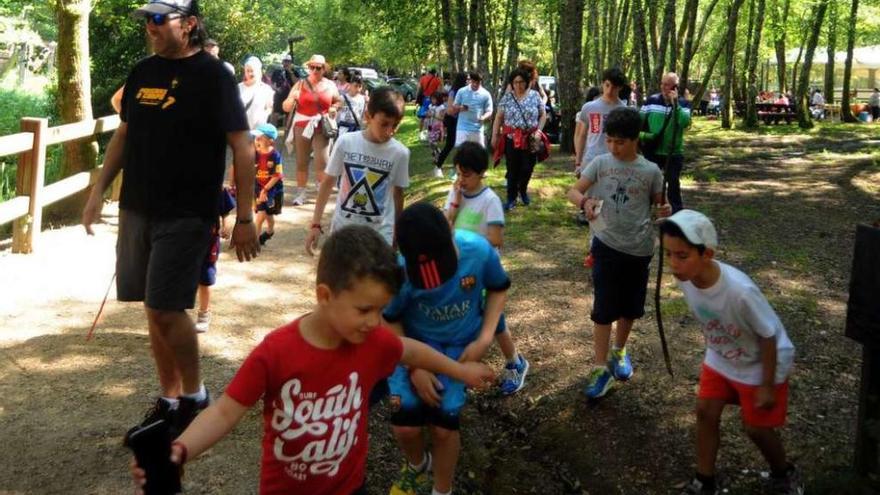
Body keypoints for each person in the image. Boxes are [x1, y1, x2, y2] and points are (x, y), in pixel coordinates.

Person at [130, 225, 495, 495]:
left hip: (352, 488)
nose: (375, 322)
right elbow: (225, 411)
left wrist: (460, 370)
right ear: (324, 295)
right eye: (365, 309)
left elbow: (412, 350)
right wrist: (182, 449)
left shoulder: (372, 341)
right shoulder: (276, 352)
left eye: (381, 310)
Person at [81, 0, 259, 438]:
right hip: (137, 207)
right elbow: (123, 134)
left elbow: (242, 145)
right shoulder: (142, 72)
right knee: (152, 306)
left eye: (160, 19)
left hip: (187, 211)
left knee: (165, 305)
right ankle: (169, 398)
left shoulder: (215, 76)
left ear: (190, 24)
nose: (150, 28)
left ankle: (196, 397)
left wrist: (246, 216)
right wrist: (98, 189)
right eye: (147, 20)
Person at [659, 210, 803, 495]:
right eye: (668, 254)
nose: (674, 264)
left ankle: (783, 472)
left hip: (762, 361)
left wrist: (766, 384)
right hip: (721, 355)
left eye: (682, 255)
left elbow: (768, 335)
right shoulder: (686, 277)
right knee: (705, 411)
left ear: (707, 254)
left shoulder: (740, 290)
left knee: (756, 429)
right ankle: (704, 480)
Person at [384, 202, 510, 495]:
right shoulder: (400, 271)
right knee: (406, 427)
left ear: (451, 231)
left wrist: (484, 338)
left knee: (443, 428)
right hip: (413, 346)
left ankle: (442, 489)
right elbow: (389, 319)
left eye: (443, 268)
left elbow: (498, 288)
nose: (435, 281)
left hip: (459, 346)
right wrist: (413, 365)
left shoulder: (478, 251)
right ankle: (417, 466)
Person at [567, 107, 670, 399]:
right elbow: (573, 191)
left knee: (630, 307)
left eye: (620, 142)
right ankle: (600, 368)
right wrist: (584, 202)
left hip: (639, 249)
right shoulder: (600, 163)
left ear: (636, 139)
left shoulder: (650, 171)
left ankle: (619, 351)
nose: (613, 147)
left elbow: (662, 203)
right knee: (603, 307)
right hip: (605, 244)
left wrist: (666, 209)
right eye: (610, 140)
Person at [443, 142, 529, 395]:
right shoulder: (455, 192)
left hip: (483, 270)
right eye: (458, 173)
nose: (461, 179)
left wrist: (466, 244)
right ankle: (464, 368)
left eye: (466, 174)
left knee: (494, 319)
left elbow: (495, 239)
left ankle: (515, 362)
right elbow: (445, 227)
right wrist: (455, 204)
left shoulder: (489, 200)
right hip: (459, 269)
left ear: (481, 173)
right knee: (466, 315)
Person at [306, 87, 409, 254]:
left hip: (380, 235)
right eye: (384, 124)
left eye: (395, 125)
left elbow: (398, 194)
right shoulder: (346, 142)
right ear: (368, 116)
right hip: (344, 230)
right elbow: (328, 182)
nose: (390, 131)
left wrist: (397, 233)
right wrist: (315, 224)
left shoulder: (400, 153)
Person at [282, 54, 342, 206]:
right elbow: (285, 107)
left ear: (324, 69)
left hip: (322, 125)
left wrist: (334, 108)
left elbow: (338, 100)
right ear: (308, 68)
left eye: (319, 67)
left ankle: (322, 190)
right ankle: (301, 193)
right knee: (302, 161)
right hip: (302, 124)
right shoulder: (300, 84)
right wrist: (292, 98)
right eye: (312, 67)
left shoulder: (330, 85)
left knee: (322, 161)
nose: (315, 70)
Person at [491, 67, 546, 210]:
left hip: (531, 138)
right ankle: (511, 198)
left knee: (527, 168)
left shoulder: (534, 96)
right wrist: (495, 134)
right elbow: (498, 117)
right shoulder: (507, 97)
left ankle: (522, 190)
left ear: (526, 82)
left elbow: (543, 115)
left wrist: (539, 131)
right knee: (512, 168)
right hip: (511, 139)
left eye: (521, 82)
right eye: (515, 82)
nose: (518, 85)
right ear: (511, 83)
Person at [640, 72, 692, 213]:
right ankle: (644, 210)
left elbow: (684, 122)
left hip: (673, 152)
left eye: (667, 84)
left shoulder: (683, 103)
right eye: (662, 83)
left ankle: (676, 213)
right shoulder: (651, 101)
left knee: (673, 183)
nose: (663, 87)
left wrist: (675, 104)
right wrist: (646, 136)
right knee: (649, 182)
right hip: (653, 150)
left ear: (675, 87)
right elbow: (638, 123)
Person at [194, 187, 236, 333]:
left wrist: (227, 225)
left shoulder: (216, 186)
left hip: (208, 241)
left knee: (205, 278)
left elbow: (226, 213)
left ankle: (204, 314)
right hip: (183, 240)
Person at [573, 68, 627, 178]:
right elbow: (581, 135)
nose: (610, 90)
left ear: (620, 88)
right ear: (602, 83)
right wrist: (578, 162)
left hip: (615, 161)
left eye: (614, 87)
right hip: (591, 159)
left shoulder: (624, 110)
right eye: (607, 85)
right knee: (588, 194)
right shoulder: (589, 107)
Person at [251, 123, 284, 246]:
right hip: (259, 188)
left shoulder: (275, 156)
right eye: (256, 137)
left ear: (270, 141)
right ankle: (254, 243)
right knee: (260, 216)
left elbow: (277, 175)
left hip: (272, 190)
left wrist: (265, 189)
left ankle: (270, 231)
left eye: (260, 137)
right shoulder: (255, 154)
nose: (257, 140)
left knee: (268, 214)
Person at [434, 72, 467, 174]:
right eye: (466, 80)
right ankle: (438, 166)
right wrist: (462, 108)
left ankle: (459, 168)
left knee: (462, 146)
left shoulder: (465, 92)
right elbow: (449, 110)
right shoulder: (453, 92)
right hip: (453, 121)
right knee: (450, 144)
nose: (468, 82)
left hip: (462, 121)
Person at [453, 71, 493, 147]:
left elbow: (489, 111)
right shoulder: (461, 91)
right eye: (473, 82)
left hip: (477, 129)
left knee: (478, 154)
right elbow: (455, 106)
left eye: (478, 82)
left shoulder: (486, 94)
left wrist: (483, 117)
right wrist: (461, 107)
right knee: (462, 153)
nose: (475, 84)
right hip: (462, 128)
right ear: (470, 80)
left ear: (481, 81)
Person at [238, 56, 275, 130]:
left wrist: (263, 116)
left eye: (252, 70)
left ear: (258, 71)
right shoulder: (238, 88)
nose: (249, 73)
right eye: (247, 71)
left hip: (258, 132)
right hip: (240, 130)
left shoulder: (266, 89)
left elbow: (269, 108)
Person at [270, 53, 296, 127]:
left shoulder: (294, 72)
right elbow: (271, 83)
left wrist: (291, 72)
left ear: (291, 62)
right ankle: (271, 132)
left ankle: (285, 135)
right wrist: (276, 89)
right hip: (278, 96)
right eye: (285, 61)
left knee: (288, 115)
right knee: (275, 114)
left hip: (289, 97)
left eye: (288, 61)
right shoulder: (277, 71)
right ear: (282, 62)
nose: (286, 63)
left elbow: (297, 82)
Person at [337, 72, 366, 138]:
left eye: (360, 86)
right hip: (343, 129)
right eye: (355, 86)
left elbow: (362, 115)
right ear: (350, 85)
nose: (358, 89)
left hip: (355, 129)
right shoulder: (342, 98)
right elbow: (338, 114)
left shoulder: (362, 99)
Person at [418, 68, 442, 136]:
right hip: (433, 100)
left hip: (425, 99)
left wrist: (417, 99)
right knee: (431, 117)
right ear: (435, 73)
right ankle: (430, 133)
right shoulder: (437, 80)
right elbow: (439, 91)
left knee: (422, 117)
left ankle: (420, 133)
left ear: (428, 72)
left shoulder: (423, 78)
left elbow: (419, 89)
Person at [427, 91, 447, 169]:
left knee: (433, 142)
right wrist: (428, 115)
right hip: (430, 125)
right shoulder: (430, 106)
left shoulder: (441, 107)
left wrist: (434, 115)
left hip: (437, 126)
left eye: (434, 99)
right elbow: (428, 114)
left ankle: (438, 156)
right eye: (432, 99)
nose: (433, 101)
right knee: (430, 143)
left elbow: (442, 118)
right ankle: (436, 156)